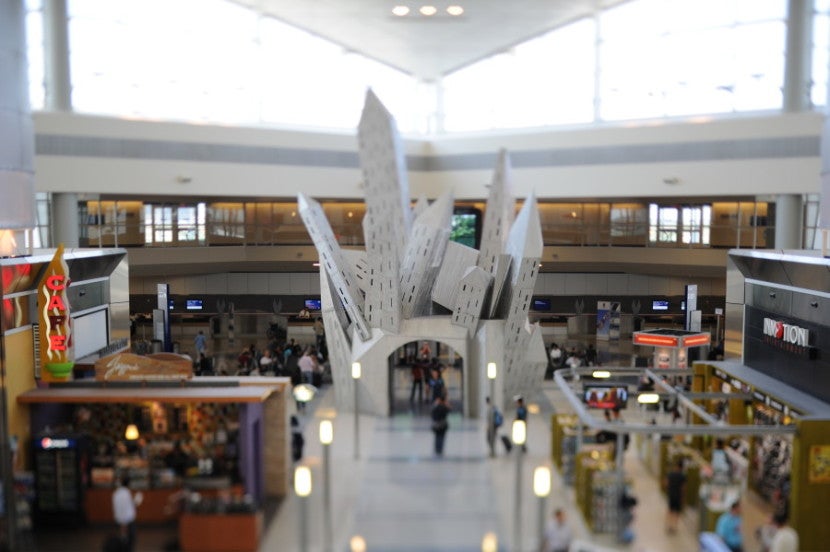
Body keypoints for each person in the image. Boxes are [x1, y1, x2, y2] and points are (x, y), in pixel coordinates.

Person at [112, 476, 141, 552]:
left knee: (123, 535)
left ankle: (123, 544)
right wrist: (138, 499)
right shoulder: (127, 493)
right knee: (132, 538)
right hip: (128, 519)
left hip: (119, 518)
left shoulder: (116, 493)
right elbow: (132, 505)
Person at [664, 459, 686, 533]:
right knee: (676, 512)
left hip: (671, 495)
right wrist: (682, 497)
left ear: (676, 466)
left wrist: (669, 489)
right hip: (678, 496)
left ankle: (669, 525)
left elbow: (666, 483)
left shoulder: (670, 474)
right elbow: (683, 488)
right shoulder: (682, 476)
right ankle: (675, 527)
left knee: (670, 510)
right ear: (682, 468)